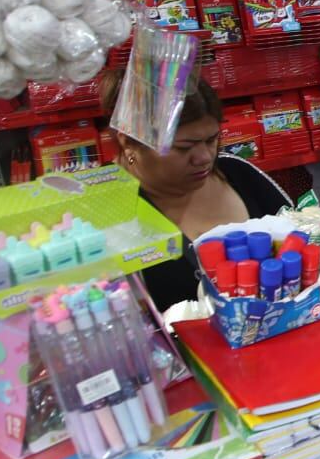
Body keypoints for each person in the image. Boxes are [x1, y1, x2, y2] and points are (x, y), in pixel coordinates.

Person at [102, 72, 290, 311]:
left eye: (211, 140)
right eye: (183, 148)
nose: (204, 158)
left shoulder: (238, 173)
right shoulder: (107, 212)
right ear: (128, 142)